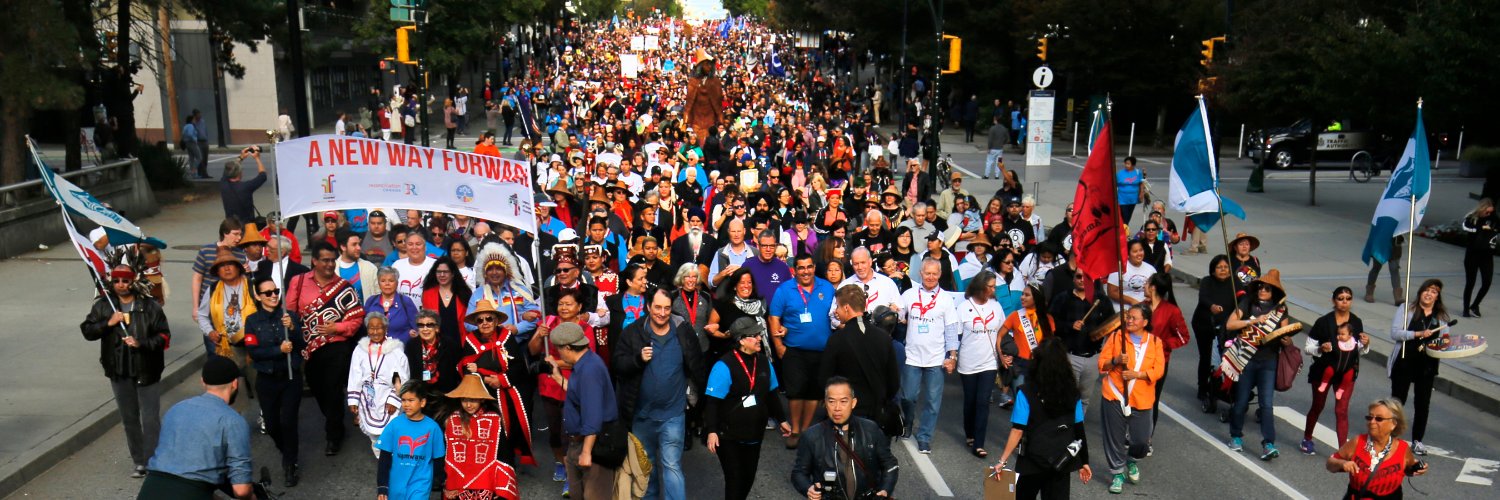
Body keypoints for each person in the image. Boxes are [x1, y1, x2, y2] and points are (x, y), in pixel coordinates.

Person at [613, 289, 705, 500]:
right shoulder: (634, 332)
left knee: (672, 466)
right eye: (657, 307)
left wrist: (698, 402)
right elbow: (617, 365)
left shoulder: (683, 330)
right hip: (641, 416)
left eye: (667, 308)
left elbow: (698, 364)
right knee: (647, 467)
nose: (662, 313)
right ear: (648, 307)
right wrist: (637, 359)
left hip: (673, 415)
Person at [82, 264, 170, 479]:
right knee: (129, 418)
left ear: (133, 282)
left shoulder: (149, 307)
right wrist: (108, 323)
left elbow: (164, 337)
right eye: (116, 281)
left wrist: (141, 343)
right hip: (119, 371)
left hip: (146, 370)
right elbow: (88, 330)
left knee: (149, 419)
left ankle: (153, 461)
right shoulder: (104, 306)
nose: (121, 285)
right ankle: (139, 461)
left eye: (125, 281)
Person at [285, 242, 367, 456]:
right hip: (309, 349)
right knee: (318, 389)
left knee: (331, 388)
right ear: (314, 261)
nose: (330, 264)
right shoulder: (299, 282)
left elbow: (357, 317)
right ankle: (334, 417)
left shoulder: (344, 286)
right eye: (325, 260)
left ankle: (334, 434)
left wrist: (336, 327)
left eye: (332, 260)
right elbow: (291, 312)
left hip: (336, 345)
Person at [136, 357, 253, 499]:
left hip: (150, 490)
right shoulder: (233, 421)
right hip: (191, 492)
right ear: (235, 384)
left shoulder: (176, 409)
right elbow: (241, 491)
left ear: (203, 382)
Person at [993, 338, 1093, 499]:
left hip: (1033, 459)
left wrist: (1002, 461)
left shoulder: (1025, 392)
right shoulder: (1073, 393)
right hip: (1062, 458)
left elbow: (1018, 429)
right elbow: (1078, 428)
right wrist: (1084, 462)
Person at [706, 318, 793, 500]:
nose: (760, 338)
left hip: (754, 434)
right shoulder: (724, 366)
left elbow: (771, 394)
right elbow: (712, 402)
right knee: (735, 480)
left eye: (759, 334)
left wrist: (782, 419)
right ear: (741, 340)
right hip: (729, 436)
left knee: (748, 478)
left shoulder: (764, 362)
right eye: (754, 335)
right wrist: (712, 431)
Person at [1224, 269, 1295, 460]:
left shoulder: (1281, 310)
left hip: (1268, 360)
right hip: (1247, 358)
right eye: (1261, 287)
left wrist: (1287, 340)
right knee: (1241, 401)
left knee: (1267, 404)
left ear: (1274, 293)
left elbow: (1285, 332)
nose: (1263, 291)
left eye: (1268, 289)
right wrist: (1252, 321)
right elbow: (1230, 324)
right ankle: (1236, 436)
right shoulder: (1248, 302)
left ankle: (1268, 443)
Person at [789, 376, 899, 499]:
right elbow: (799, 472)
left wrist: (885, 490)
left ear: (853, 403)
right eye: (831, 401)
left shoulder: (871, 429)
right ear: (825, 403)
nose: (837, 408)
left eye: (843, 401)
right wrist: (808, 488)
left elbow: (890, 464)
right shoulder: (811, 436)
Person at [768, 254, 836, 448]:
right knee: (796, 392)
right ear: (795, 270)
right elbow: (774, 318)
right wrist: (779, 346)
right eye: (801, 268)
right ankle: (795, 429)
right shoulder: (784, 290)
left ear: (814, 267)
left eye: (809, 267)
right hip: (794, 351)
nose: (805, 271)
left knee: (813, 392)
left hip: (822, 351)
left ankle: (806, 430)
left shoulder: (827, 288)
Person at [244, 277, 306, 486]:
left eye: (276, 291)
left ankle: (290, 463)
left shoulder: (289, 316)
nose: (273, 296)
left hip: (290, 377)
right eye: (268, 293)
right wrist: (277, 350)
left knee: (288, 421)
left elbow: (302, 343)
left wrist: (294, 329)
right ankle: (286, 450)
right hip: (267, 378)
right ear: (258, 296)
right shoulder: (252, 321)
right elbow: (254, 351)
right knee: (272, 425)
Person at [460, 299, 536, 468]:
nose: (485, 323)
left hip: (508, 390)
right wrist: (484, 377)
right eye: (480, 320)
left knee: (508, 429)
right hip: (484, 394)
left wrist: (501, 380)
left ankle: (507, 468)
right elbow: (466, 368)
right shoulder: (471, 340)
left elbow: (518, 365)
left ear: (495, 320)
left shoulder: (506, 336)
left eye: (489, 319)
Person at [1097, 305, 1164, 494]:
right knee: (1114, 438)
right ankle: (1117, 472)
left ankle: (1132, 460)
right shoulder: (1117, 337)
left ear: (1145, 322)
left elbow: (1158, 370)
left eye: (1134, 318)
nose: (1129, 320)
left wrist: (1138, 374)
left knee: (1142, 440)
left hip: (1142, 397)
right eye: (1128, 317)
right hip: (1114, 393)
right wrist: (1116, 360)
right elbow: (1102, 363)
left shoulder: (1155, 342)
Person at [897, 259, 961, 454]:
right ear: (921, 274)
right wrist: (898, 314)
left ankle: (925, 437)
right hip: (912, 355)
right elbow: (899, 313)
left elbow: (951, 329)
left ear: (940, 274)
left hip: (936, 358)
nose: (931, 277)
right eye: (927, 273)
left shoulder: (945, 299)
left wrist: (952, 355)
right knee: (908, 397)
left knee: (933, 401)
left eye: (934, 274)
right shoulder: (909, 295)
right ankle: (907, 423)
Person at [819, 284, 902, 433]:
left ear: (846, 308)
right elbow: (893, 381)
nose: (836, 311)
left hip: (847, 413)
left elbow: (825, 378)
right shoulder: (883, 337)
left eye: (837, 306)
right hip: (877, 412)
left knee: (847, 455)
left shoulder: (837, 339)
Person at [1301, 287, 1370, 454]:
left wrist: (1366, 343)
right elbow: (1308, 347)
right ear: (1333, 301)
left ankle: (1342, 450)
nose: (1344, 302)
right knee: (1318, 405)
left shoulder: (1356, 322)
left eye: (1348, 298)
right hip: (1324, 370)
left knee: (1342, 410)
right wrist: (1320, 348)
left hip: (1347, 372)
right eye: (1340, 298)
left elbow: (1358, 348)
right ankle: (1307, 439)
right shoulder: (1323, 322)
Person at [1388, 278, 1451, 456]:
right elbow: (1395, 333)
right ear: (1421, 291)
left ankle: (1417, 440)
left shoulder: (1441, 317)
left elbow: (1444, 340)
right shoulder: (1407, 309)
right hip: (1405, 360)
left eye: (1434, 291)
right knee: (1398, 401)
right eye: (1427, 290)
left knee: (1422, 404)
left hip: (1427, 365)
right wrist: (1418, 334)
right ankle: (1391, 436)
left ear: (1437, 296)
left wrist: (1444, 342)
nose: (1429, 294)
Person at [1326, 398, 1429, 499]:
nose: (1372, 422)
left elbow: (1409, 468)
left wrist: (1419, 468)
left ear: (1393, 424)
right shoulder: (1357, 442)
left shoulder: (1403, 449)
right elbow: (1330, 463)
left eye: (1379, 419)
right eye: (1369, 417)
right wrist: (1342, 464)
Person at [442, 374, 520, 500]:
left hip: (486, 482)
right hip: (458, 481)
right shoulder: (452, 420)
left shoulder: (494, 420)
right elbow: (448, 455)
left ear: (482, 399)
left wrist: (498, 486)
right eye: (464, 400)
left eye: (473, 400)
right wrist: (447, 483)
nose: (468, 405)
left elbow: (503, 454)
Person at [348, 311, 411, 457]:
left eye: (379, 327)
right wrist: (353, 399)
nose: (375, 331)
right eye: (371, 328)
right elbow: (354, 374)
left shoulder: (395, 350)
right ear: (367, 329)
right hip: (368, 396)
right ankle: (381, 459)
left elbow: (401, 377)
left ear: (385, 329)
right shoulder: (360, 349)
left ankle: (394, 462)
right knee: (373, 436)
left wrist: (395, 400)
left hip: (388, 395)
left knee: (392, 433)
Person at [956, 271, 1005, 458]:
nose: (993, 290)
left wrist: (1004, 354)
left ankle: (979, 442)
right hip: (968, 361)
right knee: (970, 402)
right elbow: (957, 335)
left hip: (989, 362)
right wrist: (952, 356)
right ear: (980, 286)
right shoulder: (963, 307)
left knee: (983, 401)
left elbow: (1002, 332)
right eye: (990, 286)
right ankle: (969, 432)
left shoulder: (996, 307)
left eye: (994, 287)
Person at [375, 381, 446, 500]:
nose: (406, 404)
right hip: (395, 484)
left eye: (411, 400)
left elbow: (439, 459)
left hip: (420, 484)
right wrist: (382, 487)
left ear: (422, 402)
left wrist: (444, 482)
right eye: (403, 400)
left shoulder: (433, 428)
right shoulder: (394, 425)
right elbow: (384, 459)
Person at [1193, 255, 1238, 413]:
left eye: (1226, 267)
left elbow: (1242, 299)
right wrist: (1212, 306)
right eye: (1219, 267)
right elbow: (1203, 298)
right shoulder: (1207, 281)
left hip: (1226, 328)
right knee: (1206, 357)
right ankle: (1202, 387)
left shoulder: (1234, 283)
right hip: (1205, 324)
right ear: (1213, 270)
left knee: (1225, 357)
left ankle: (1224, 386)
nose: (1223, 270)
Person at [998, 284, 1055, 408]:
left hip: (1039, 365)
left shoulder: (1048, 319)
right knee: (1022, 402)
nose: (1022, 297)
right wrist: (1002, 356)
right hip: (1020, 364)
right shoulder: (1015, 315)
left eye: (1027, 295)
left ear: (1036, 298)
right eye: (1022, 294)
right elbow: (1000, 336)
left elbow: (1051, 345)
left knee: (1036, 404)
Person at [405, 309, 461, 397]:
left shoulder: (450, 345)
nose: (425, 329)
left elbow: (458, 373)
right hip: (420, 395)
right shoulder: (411, 346)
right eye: (421, 325)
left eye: (429, 325)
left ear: (437, 328)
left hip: (446, 395)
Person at [420, 257, 472, 351]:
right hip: (437, 345)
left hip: (461, 343)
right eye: (439, 272)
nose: (442, 275)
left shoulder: (464, 293)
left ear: (452, 273)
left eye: (446, 272)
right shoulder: (428, 294)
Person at [365, 267, 420, 344]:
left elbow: (417, 327)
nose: (387, 284)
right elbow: (364, 328)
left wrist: (412, 333)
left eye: (391, 281)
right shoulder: (371, 301)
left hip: (402, 348)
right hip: (375, 349)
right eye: (383, 281)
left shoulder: (406, 301)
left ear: (397, 283)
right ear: (378, 283)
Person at [1462, 198, 1498, 317]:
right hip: (1472, 254)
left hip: (1487, 255)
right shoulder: (1472, 216)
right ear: (1482, 209)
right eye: (1487, 212)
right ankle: (1466, 308)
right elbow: (1465, 227)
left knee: (1487, 282)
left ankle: (1475, 305)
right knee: (1470, 283)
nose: (1489, 214)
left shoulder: (1493, 218)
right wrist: (1479, 228)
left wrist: (1493, 228)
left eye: (1491, 212)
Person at [1106, 240, 1157, 312]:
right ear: (1128, 254)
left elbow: (1155, 291)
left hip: (1144, 310)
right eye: (1135, 251)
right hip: (1122, 311)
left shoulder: (1151, 269)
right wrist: (1132, 301)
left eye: (1141, 250)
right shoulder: (1119, 268)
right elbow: (1111, 292)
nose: (1139, 254)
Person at [220, 147, 267, 224]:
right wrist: (257, 158)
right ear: (239, 173)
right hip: (247, 225)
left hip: (231, 224)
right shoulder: (246, 187)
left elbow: (228, 170)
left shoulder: (223, 184)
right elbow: (263, 176)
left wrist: (241, 157)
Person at [391, 232, 436, 306]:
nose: (414, 247)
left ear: (425, 247)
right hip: (402, 313)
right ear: (406, 247)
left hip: (428, 314)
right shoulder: (397, 265)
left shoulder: (435, 265)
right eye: (410, 244)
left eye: (418, 244)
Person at [335, 231, 379, 301]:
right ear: (343, 247)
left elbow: (378, 295)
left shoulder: (370, 268)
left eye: (359, 244)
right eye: (354, 244)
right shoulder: (332, 270)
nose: (359, 248)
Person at [1116, 156, 1144, 224]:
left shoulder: (1138, 173)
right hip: (1122, 198)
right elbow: (1115, 184)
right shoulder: (1120, 173)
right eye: (1125, 163)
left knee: (1128, 215)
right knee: (1124, 215)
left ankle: (1125, 228)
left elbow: (1141, 183)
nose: (1126, 165)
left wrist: (1141, 193)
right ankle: (1124, 229)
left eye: (1128, 164)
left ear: (1133, 165)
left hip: (1133, 198)